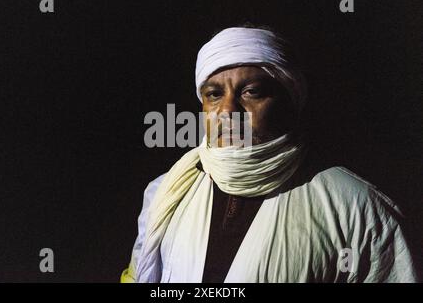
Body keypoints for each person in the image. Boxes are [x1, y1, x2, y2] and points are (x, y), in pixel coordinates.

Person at [121, 26, 417, 283]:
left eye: (251, 92)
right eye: (213, 94)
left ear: (289, 100)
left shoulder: (358, 211)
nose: (227, 111)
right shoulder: (166, 193)